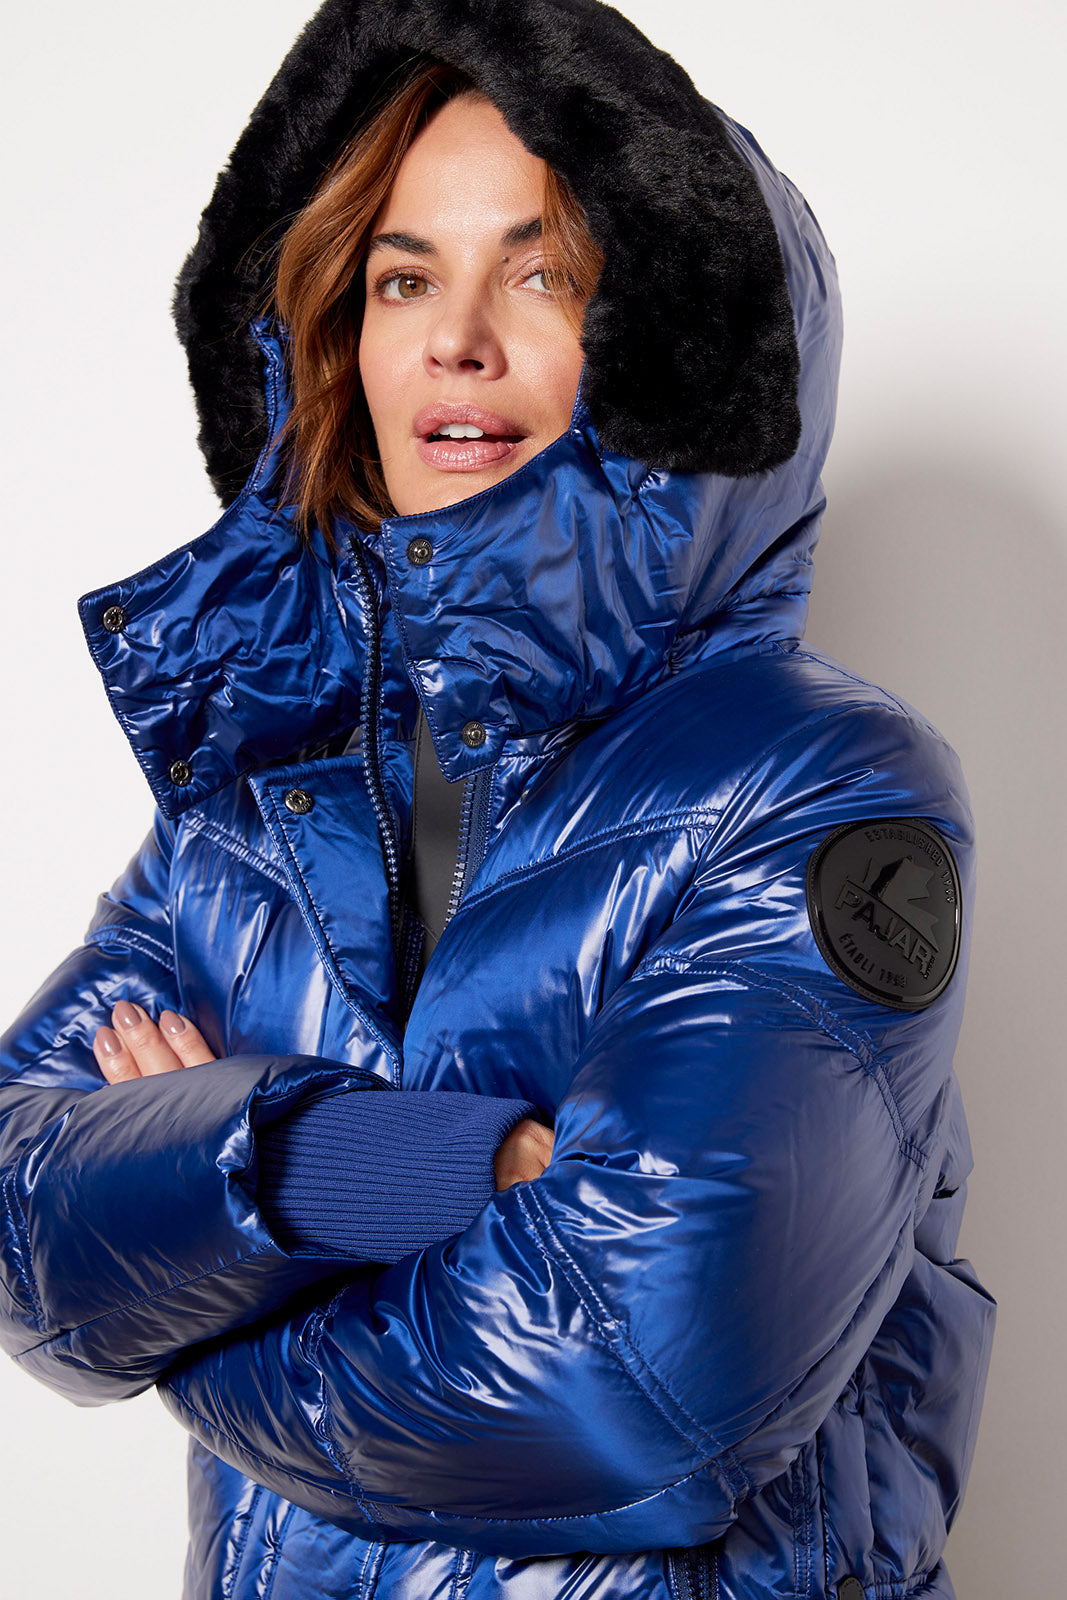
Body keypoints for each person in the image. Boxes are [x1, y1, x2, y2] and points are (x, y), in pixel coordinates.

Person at [0, 0, 994, 1596]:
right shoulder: (258, 791)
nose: (455, 339)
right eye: (404, 277)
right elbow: (14, 1221)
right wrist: (397, 1160)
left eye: (543, 276)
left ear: (682, 347)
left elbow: (626, 1388)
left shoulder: (822, 789)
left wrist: (193, 1290)